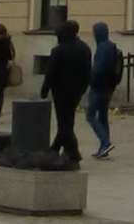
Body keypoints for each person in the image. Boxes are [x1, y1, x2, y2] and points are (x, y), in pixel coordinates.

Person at [37, 21, 88, 163]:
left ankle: (74, 152)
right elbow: (87, 72)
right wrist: (83, 89)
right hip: (77, 91)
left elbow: (51, 72)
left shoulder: (58, 50)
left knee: (64, 123)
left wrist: (45, 89)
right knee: (68, 121)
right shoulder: (85, 48)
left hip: (61, 91)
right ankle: (54, 149)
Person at [85, 20, 121, 159]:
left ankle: (105, 142)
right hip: (109, 87)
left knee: (90, 116)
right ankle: (103, 148)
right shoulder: (112, 46)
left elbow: (97, 70)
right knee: (102, 116)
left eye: (94, 32)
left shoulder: (102, 48)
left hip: (98, 87)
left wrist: (90, 79)